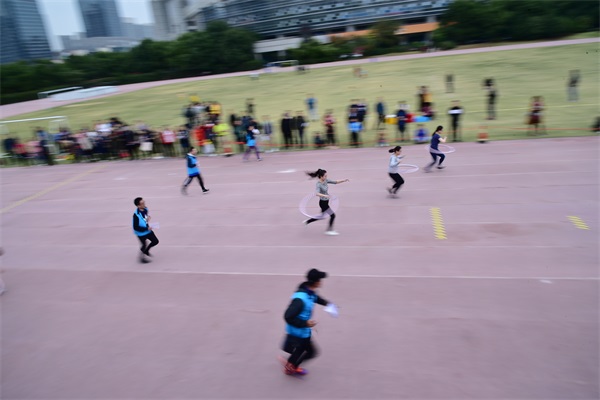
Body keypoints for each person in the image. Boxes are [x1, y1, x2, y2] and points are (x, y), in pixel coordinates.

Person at [282, 268, 331, 376]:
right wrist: (305, 323)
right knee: (310, 351)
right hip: (298, 331)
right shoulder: (300, 299)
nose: (321, 282)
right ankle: (291, 367)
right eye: (320, 280)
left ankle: (291, 364)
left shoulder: (309, 291)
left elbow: (315, 298)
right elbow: (287, 316)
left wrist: (327, 303)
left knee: (303, 350)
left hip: (303, 330)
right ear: (316, 282)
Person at [303, 169, 349, 235]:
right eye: (325, 176)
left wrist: (344, 180)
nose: (326, 177)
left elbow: (335, 182)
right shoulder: (318, 184)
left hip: (326, 201)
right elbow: (317, 193)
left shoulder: (326, 180)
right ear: (321, 176)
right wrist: (325, 195)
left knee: (321, 216)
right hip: (323, 203)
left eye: (326, 176)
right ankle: (329, 230)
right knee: (333, 216)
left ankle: (307, 222)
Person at [132, 197, 159, 263]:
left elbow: (144, 217)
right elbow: (135, 227)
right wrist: (146, 228)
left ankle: (146, 251)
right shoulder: (135, 215)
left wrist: (147, 218)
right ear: (138, 206)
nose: (144, 204)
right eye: (142, 203)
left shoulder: (145, 209)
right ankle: (142, 259)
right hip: (141, 233)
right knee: (144, 245)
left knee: (155, 241)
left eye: (144, 202)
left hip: (147, 230)